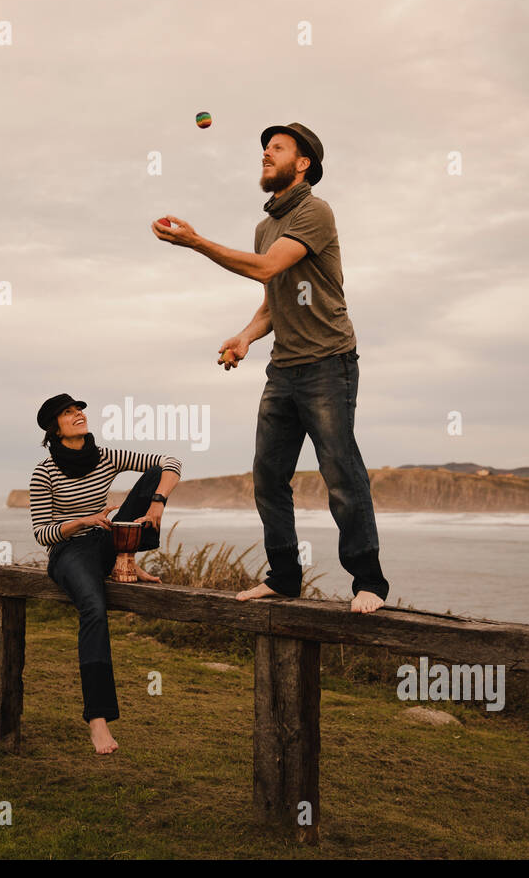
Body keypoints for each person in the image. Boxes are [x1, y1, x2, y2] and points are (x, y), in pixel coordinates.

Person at [150, 121, 389, 614]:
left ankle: (369, 582)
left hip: (328, 363)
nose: (265, 153)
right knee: (267, 476)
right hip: (284, 370)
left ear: (303, 164)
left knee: (340, 472)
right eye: (264, 147)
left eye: (276, 148)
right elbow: (272, 298)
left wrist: (196, 243)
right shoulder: (265, 226)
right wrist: (244, 337)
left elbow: (266, 268)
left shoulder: (315, 212)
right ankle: (283, 577)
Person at [29, 393, 182, 754]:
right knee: (94, 611)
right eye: (68, 413)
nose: (78, 414)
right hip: (69, 553)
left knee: (155, 475)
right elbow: (41, 533)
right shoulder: (44, 472)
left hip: (106, 539)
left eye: (78, 409)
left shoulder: (106, 456)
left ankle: (126, 557)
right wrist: (82, 521)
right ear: (56, 428)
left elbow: (170, 461)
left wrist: (157, 500)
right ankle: (97, 720)